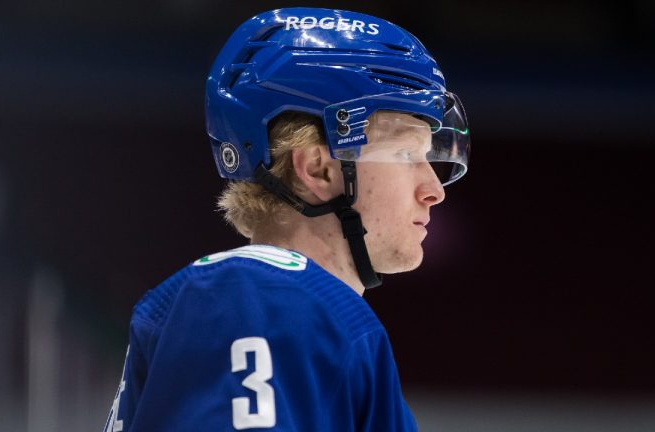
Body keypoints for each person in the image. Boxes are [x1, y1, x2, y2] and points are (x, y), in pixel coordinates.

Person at [104, 7, 470, 431]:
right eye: (407, 154)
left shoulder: (296, 311)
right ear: (318, 169)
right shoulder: (260, 299)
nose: (434, 189)